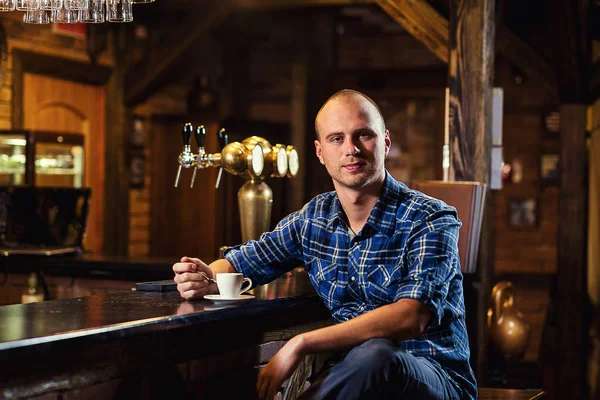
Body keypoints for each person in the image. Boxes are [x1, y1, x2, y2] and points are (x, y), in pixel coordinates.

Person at [173, 89, 477, 400]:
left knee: (376, 355)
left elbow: (410, 317)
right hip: (355, 385)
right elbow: (242, 261)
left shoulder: (429, 218)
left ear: (385, 142)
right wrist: (203, 277)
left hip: (435, 379)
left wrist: (301, 343)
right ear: (320, 152)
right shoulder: (313, 219)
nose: (352, 149)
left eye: (363, 135)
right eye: (337, 139)